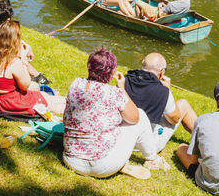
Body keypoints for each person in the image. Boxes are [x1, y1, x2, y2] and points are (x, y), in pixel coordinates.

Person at [62, 46, 170, 180]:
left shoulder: (76, 84)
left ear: (89, 66)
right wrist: (122, 89)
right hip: (100, 166)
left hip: (70, 160)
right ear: (112, 71)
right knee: (141, 115)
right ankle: (153, 159)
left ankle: (121, 162)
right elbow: (135, 118)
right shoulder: (114, 93)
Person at [0, 20, 66, 115]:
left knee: (42, 95)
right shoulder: (13, 62)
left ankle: (72, 100)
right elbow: (25, 85)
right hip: (10, 101)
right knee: (52, 105)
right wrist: (23, 60)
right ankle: (78, 108)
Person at [123, 53, 198, 153]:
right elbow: (174, 119)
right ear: (162, 72)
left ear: (142, 64)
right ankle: (207, 139)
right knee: (183, 104)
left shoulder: (123, 80)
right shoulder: (162, 91)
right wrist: (168, 90)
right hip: (145, 145)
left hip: (122, 138)